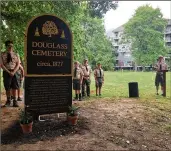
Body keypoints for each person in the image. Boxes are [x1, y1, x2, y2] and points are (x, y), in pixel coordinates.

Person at [0, 40, 20, 107]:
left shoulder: (16, 54)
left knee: (15, 86)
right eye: (9, 46)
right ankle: (8, 101)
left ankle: (15, 101)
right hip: (6, 72)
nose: (10, 47)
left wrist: (14, 72)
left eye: (12, 46)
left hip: (15, 71)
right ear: (6, 46)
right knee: (7, 87)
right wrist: (8, 72)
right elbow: (1, 65)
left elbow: (18, 64)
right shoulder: (2, 54)